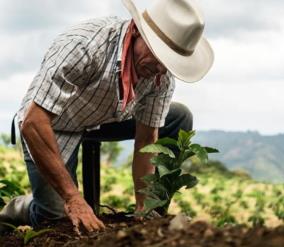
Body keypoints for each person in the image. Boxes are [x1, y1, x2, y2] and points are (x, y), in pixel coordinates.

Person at [0, 0, 214, 234]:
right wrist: (73, 198)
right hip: (53, 123)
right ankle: (21, 207)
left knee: (178, 117)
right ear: (136, 31)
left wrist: (144, 206)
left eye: (169, 63)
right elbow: (33, 122)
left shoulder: (160, 75)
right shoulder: (83, 46)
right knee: (56, 219)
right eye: (159, 57)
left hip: (104, 117)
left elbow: (147, 140)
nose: (161, 69)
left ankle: (154, 218)